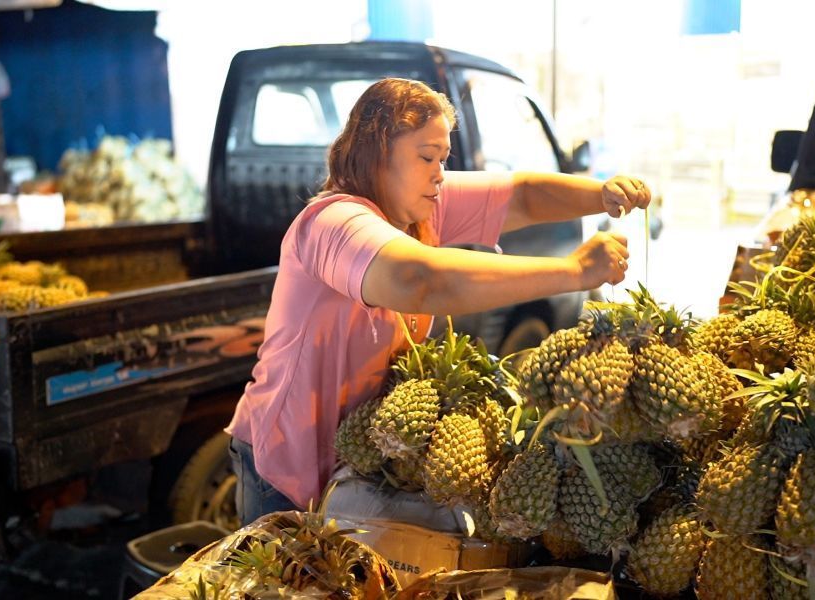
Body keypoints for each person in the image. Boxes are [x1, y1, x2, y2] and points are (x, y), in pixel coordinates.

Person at [225, 77, 650, 525]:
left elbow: (522, 196)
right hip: (283, 464)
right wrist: (574, 272)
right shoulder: (333, 222)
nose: (440, 173)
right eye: (427, 157)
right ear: (377, 153)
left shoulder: (419, 207)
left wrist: (601, 194)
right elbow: (419, 280)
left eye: (443, 158)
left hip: (349, 462)